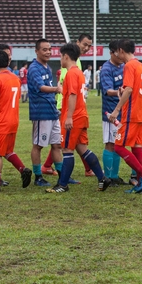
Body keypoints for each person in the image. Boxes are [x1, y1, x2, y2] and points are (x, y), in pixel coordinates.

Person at [46, 43, 111, 194]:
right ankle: (102, 178)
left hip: (74, 117)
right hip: (82, 115)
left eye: (61, 56)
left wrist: (69, 117)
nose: (60, 59)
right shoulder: (79, 73)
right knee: (82, 149)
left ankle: (63, 184)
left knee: (67, 150)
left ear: (66, 56)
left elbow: (73, 95)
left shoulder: (71, 74)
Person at [0, 50, 33, 192]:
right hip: (13, 120)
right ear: (8, 62)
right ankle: (23, 169)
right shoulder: (15, 78)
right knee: (8, 150)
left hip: (1, 121)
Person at [45, 34, 94, 179]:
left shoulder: (76, 62)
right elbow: (66, 82)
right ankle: (87, 169)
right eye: (85, 44)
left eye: (89, 46)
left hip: (72, 105)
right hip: (67, 106)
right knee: (67, 141)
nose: (87, 48)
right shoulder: (72, 62)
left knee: (71, 140)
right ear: (77, 42)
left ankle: (48, 166)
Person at [106, 39, 142, 194]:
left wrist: (116, 110)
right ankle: (141, 185)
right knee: (137, 148)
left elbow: (130, 89)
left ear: (121, 50)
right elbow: (135, 89)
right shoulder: (141, 65)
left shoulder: (129, 66)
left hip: (132, 114)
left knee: (118, 147)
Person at [27, 39, 63, 187]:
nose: (48, 52)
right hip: (41, 112)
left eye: (49, 49)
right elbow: (41, 87)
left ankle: (62, 176)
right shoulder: (34, 68)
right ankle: (38, 177)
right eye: (44, 49)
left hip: (52, 111)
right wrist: (57, 89)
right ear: (36, 51)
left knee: (57, 145)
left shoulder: (47, 67)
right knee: (38, 145)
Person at [100, 40, 126, 184]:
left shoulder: (124, 66)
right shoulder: (106, 69)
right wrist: (119, 92)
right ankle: (108, 176)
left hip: (123, 111)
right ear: (111, 53)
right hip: (111, 112)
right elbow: (107, 90)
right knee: (110, 143)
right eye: (118, 53)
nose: (121, 56)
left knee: (119, 143)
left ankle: (115, 175)